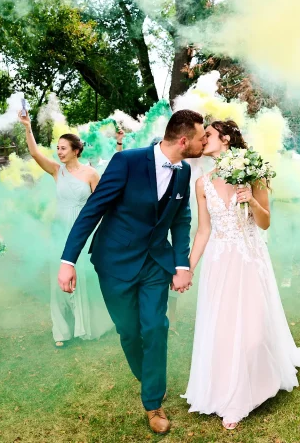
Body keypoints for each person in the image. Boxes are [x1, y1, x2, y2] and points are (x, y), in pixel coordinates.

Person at [57, 110, 206, 435]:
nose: (205, 141)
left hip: (155, 263)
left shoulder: (183, 173)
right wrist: (68, 260)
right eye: (201, 136)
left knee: (155, 327)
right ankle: (148, 374)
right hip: (115, 262)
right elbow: (92, 210)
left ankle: (153, 403)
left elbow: (180, 220)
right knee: (128, 330)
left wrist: (181, 265)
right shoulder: (126, 161)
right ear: (184, 140)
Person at [183, 120, 300, 430]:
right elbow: (203, 231)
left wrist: (250, 198)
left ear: (226, 139)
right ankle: (226, 392)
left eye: (209, 136)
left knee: (253, 331)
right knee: (223, 327)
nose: (203, 141)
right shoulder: (201, 183)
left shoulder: (254, 171)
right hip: (219, 261)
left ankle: (252, 387)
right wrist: (188, 268)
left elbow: (265, 222)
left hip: (250, 259)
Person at [18, 111, 114, 347]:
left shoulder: (91, 174)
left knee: (83, 276)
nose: (59, 151)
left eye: (63, 148)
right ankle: (61, 331)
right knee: (58, 280)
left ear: (76, 150)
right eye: (58, 148)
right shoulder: (55, 171)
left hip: (83, 230)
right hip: (60, 231)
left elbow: (102, 204)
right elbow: (34, 153)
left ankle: (86, 324)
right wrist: (27, 126)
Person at [270, 147, 300, 288]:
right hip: (280, 205)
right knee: (285, 241)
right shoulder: (273, 160)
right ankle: (286, 274)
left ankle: (297, 260)